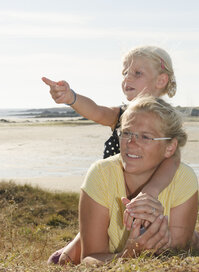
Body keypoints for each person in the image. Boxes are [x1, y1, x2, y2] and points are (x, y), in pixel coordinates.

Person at [42, 46, 181, 264]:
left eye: (137, 73)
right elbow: (96, 111)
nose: (127, 78)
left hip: (149, 197)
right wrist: (72, 97)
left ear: (161, 80)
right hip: (110, 195)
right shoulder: (122, 114)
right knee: (65, 259)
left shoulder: (167, 123)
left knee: (157, 238)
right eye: (125, 72)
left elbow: (173, 161)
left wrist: (150, 192)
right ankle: (75, 252)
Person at [63, 96, 199, 266]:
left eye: (145, 137)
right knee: (62, 261)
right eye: (126, 133)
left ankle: (197, 238)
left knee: (192, 243)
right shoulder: (100, 174)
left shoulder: (183, 179)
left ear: (170, 148)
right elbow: (89, 258)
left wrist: (157, 243)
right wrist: (127, 255)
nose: (130, 143)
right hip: (114, 253)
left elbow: (178, 253)